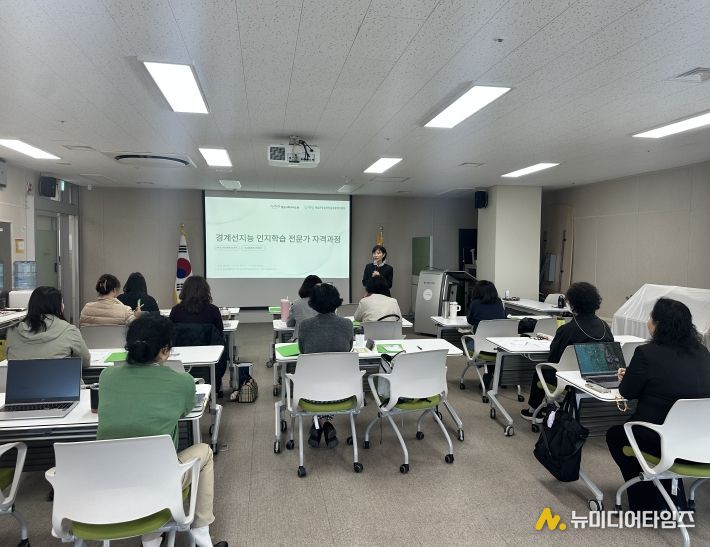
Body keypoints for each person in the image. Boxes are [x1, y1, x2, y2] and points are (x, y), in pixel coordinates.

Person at [96, 314, 227, 547]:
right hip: (159, 480)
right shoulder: (182, 381)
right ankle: (200, 530)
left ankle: (152, 538)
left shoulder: (106, 377)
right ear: (165, 351)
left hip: (111, 480)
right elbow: (186, 410)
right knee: (205, 452)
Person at [606, 298, 710, 512]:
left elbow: (627, 392)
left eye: (650, 317)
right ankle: (667, 491)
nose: (648, 321)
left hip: (659, 438)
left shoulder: (646, 353)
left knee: (615, 436)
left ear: (658, 324)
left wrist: (631, 377)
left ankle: (645, 501)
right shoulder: (703, 352)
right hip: (700, 441)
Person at [520, 282, 613, 421]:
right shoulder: (604, 326)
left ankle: (533, 410)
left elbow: (554, 359)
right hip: (597, 379)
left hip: (569, 380)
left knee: (541, 371)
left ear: (573, 304)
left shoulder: (567, 329)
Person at [298, 283, 354, 449]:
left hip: (310, 393)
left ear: (313, 303)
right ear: (336, 301)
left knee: (319, 382)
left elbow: (303, 351)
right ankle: (325, 423)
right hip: (343, 391)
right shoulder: (347, 324)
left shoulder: (305, 325)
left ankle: (319, 424)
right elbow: (349, 349)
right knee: (329, 381)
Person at [6, 286, 90, 368]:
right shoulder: (69, 330)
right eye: (62, 302)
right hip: (59, 377)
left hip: (22, 378)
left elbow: (10, 359)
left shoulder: (13, 330)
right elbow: (85, 361)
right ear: (59, 306)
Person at [169, 276, 226, 394]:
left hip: (181, 359)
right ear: (206, 291)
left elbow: (170, 334)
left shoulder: (175, 311)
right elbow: (219, 334)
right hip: (208, 359)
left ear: (185, 291)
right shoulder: (213, 311)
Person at [286, 274, 321, 340]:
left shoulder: (296, 304)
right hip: (321, 340)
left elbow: (290, 324)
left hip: (300, 341)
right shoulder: (326, 303)